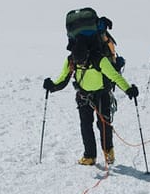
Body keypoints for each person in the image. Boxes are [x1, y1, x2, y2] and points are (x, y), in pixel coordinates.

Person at [45, 33, 137, 165]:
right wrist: (52, 86)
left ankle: (108, 152)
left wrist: (128, 89)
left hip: (102, 94)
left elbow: (114, 76)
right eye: (79, 63)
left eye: (83, 62)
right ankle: (89, 156)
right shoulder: (71, 60)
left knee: (104, 124)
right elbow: (63, 78)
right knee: (86, 125)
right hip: (83, 96)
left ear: (87, 54)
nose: (81, 64)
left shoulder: (99, 59)